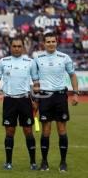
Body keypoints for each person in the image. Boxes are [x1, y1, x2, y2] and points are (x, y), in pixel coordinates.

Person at [0, 37, 40, 170]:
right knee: (9, 131)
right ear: (10, 47)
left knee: (28, 131)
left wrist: (35, 100)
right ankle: (8, 162)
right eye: (14, 46)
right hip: (9, 100)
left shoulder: (30, 62)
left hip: (25, 100)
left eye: (19, 46)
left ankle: (33, 162)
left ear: (23, 47)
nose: (17, 48)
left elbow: (36, 83)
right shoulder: (2, 62)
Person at [34, 32, 79, 172]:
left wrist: (76, 93)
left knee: (61, 130)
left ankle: (63, 162)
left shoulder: (65, 57)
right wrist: (35, 99)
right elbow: (35, 81)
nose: (51, 44)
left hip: (60, 97)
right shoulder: (37, 58)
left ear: (56, 42)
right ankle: (44, 162)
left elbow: (72, 75)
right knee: (46, 131)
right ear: (44, 43)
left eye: (53, 41)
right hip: (45, 97)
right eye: (48, 42)